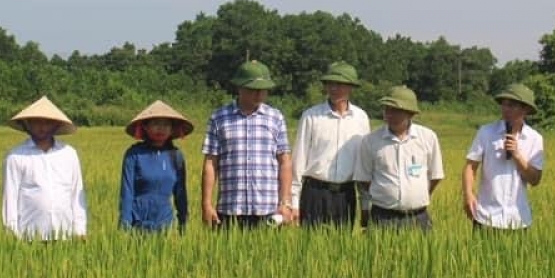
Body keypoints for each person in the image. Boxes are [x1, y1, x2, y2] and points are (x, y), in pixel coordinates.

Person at [201, 60, 293, 228]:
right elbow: (210, 163)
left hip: (268, 210)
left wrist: (285, 202)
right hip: (230, 209)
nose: (258, 95)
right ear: (239, 88)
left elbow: (285, 162)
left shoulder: (275, 117)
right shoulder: (219, 117)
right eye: (253, 90)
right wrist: (206, 204)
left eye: (262, 90)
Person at [290, 61, 372, 228]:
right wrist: (294, 203)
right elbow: (298, 161)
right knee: (310, 247)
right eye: (330, 84)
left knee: (341, 249)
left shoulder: (361, 118)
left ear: (350, 87)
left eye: (340, 84)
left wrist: (365, 205)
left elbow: (364, 165)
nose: (334, 88)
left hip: (345, 195)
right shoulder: (311, 116)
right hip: (314, 193)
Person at [354, 85, 444, 231]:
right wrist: (386, 194)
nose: (390, 115)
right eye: (387, 110)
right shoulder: (370, 141)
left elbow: (435, 176)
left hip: (418, 218)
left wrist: (416, 195)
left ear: (410, 114)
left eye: (397, 111)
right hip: (382, 218)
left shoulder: (428, 138)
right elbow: (364, 179)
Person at [2, 96, 88, 240]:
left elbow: (76, 194)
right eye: (36, 122)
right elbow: (9, 199)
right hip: (29, 237)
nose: (42, 127)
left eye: (47, 122)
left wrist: (80, 231)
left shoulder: (69, 154)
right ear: (27, 124)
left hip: (65, 235)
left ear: (56, 125)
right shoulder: (16, 156)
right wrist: (12, 236)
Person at [462, 83, 545, 230]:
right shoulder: (486, 132)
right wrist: (468, 194)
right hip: (486, 216)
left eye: (512, 105)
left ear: (525, 109)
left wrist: (517, 155)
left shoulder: (535, 138)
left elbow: (535, 179)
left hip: (518, 219)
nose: (505, 109)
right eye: (504, 104)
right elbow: (470, 166)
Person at [120, 100, 192, 233]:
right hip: (138, 223)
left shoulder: (176, 156)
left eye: (166, 124)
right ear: (145, 127)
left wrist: (184, 224)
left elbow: (181, 194)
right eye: (155, 123)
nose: (161, 128)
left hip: (166, 224)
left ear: (172, 129)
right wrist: (124, 225)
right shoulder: (134, 154)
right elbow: (127, 193)